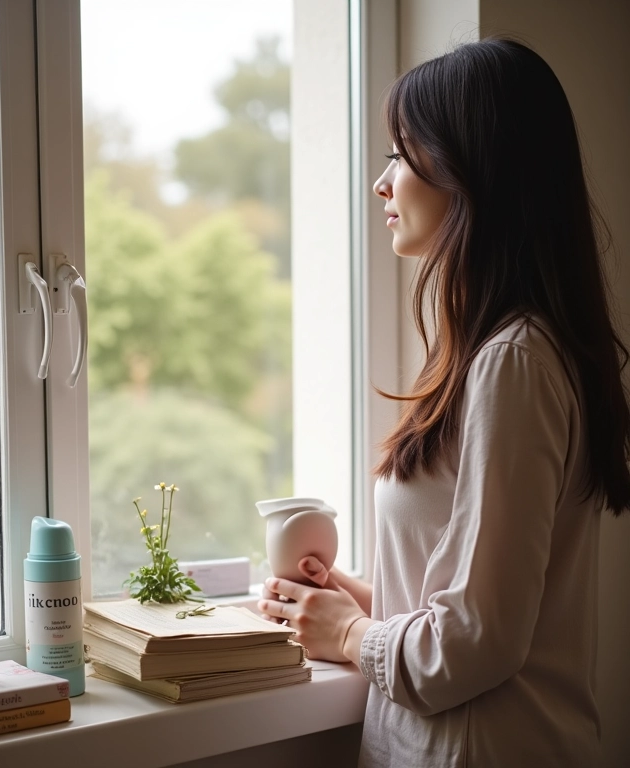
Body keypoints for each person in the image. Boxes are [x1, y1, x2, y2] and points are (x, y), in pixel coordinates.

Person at [258, 37, 630, 767]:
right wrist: (346, 597)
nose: (381, 183)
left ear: (472, 172)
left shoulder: (514, 362)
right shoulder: (498, 354)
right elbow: (463, 603)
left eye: (402, 152)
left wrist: (345, 635)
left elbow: (476, 643)